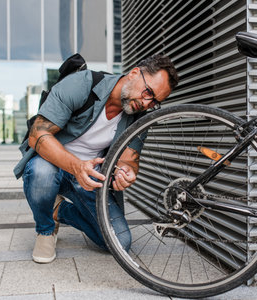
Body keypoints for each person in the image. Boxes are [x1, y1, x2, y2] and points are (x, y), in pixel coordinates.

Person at [13, 54, 178, 263]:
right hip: (53, 163)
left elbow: (129, 159)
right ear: (135, 73)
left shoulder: (139, 117)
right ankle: (45, 229)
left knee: (119, 242)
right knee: (41, 172)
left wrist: (127, 172)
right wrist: (76, 166)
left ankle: (58, 209)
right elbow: (38, 134)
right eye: (148, 92)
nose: (147, 103)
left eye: (154, 102)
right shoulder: (81, 84)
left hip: (91, 177)